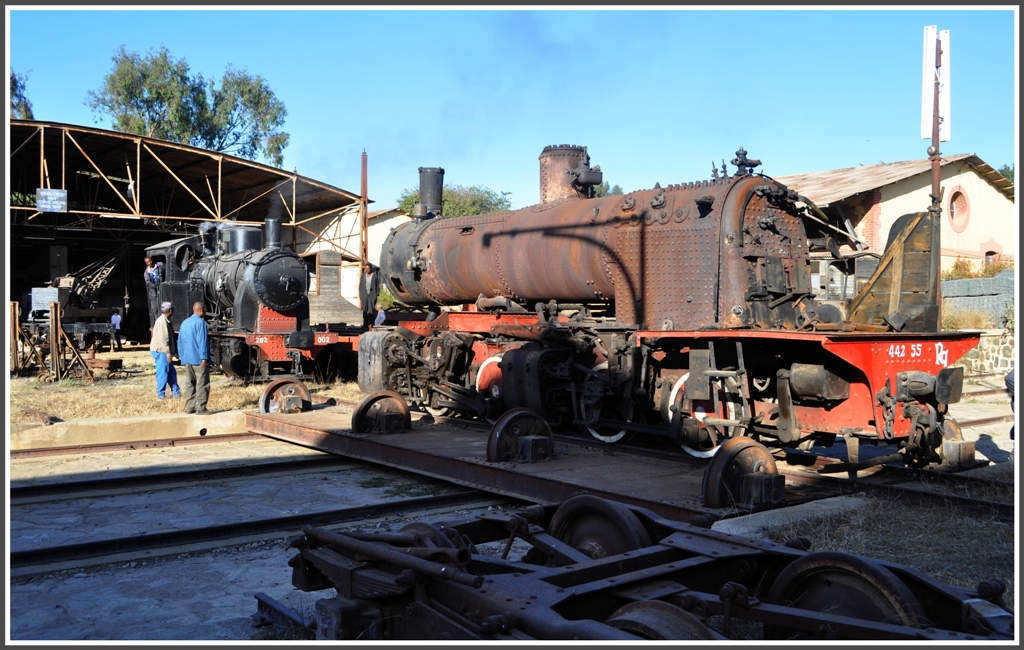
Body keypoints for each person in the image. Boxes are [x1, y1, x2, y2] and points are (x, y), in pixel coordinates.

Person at [178, 301, 211, 415]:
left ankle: (189, 407)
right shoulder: (200, 322)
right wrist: (204, 357)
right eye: (205, 310)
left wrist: (182, 356)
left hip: (187, 359)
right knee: (202, 383)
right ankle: (201, 408)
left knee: (189, 382)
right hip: (198, 359)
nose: (205, 312)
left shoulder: (184, 323)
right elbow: (202, 341)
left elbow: (180, 342)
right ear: (201, 310)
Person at [150, 302, 180, 399]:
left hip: (164, 351)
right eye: (173, 310)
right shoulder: (162, 322)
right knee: (163, 373)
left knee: (171, 372)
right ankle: (161, 395)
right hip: (161, 351)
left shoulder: (164, 320)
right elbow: (164, 340)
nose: (173, 311)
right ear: (170, 311)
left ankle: (176, 393)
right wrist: (168, 354)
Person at [358, 262, 382, 327]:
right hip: (364, 294)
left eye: (368, 269)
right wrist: (360, 294)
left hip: (372, 294)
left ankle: (371, 323)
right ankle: (365, 323)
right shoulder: (363, 275)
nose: (367, 270)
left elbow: (377, 285)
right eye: (366, 269)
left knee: (371, 309)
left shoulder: (374, 275)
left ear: (370, 269)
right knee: (364, 309)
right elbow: (360, 285)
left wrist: (377, 294)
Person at [144, 256, 165, 329]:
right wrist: (155, 286)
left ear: (152, 260)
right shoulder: (146, 272)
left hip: (163, 289)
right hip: (153, 292)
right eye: (147, 262)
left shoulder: (160, 265)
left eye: (150, 261)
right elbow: (148, 282)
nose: (149, 263)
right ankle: (157, 323)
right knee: (155, 308)